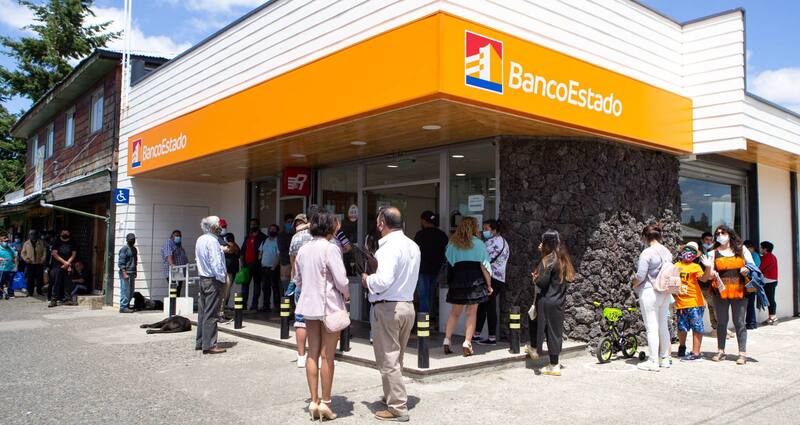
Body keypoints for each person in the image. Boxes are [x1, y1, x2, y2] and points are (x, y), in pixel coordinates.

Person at [360, 207, 420, 422]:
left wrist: (367, 279)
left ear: (381, 224)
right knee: (397, 357)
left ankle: (397, 406)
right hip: (407, 306)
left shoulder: (387, 248)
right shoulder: (412, 245)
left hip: (388, 308)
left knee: (388, 359)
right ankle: (393, 396)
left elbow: (383, 281)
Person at [294, 212, 350, 421]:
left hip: (309, 305)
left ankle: (313, 400)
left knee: (312, 353)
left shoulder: (303, 249)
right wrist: (346, 295)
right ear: (329, 227)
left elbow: (298, 280)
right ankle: (325, 402)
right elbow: (342, 281)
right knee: (327, 356)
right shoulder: (331, 248)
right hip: (329, 305)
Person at [699, 224, 755, 365]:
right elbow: (709, 275)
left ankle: (742, 353)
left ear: (730, 234)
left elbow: (753, 266)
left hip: (739, 291)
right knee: (721, 323)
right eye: (717, 234)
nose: (720, 236)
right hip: (720, 292)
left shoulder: (741, 249)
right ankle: (721, 351)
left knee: (739, 322)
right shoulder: (713, 253)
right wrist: (710, 271)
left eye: (723, 233)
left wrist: (746, 269)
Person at [443, 217, 492, 357]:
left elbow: (449, 262)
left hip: (458, 281)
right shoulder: (479, 244)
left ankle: (447, 339)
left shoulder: (452, 244)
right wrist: (489, 285)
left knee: (454, 313)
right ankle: (467, 342)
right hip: (475, 281)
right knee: (471, 313)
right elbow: (484, 266)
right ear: (474, 228)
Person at [528, 230, 574, 376]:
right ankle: (554, 362)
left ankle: (543, 357)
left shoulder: (548, 260)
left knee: (536, 322)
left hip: (547, 300)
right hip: (559, 301)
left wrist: (535, 278)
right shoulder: (563, 259)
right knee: (555, 332)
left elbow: (542, 282)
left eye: (542, 242)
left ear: (547, 244)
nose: (540, 244)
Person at [632, 224, 673, 372]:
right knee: (663, 326)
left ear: (645, 237)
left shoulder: (647, 252)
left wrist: (633, 282)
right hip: (665, 292)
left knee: (651, 327)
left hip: (650, 291)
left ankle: (653, 361)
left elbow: (640, 276)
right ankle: (665, 359)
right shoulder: (667, 252)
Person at [195, 216, 228, 355]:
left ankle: (201, 341)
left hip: (203, 278)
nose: (220, 227)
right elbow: (216, 262)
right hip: (212, 279)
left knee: (203, 312)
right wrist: (222, 278)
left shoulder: (200, 239)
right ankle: (210, 345)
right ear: (214, 227)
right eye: (218, 225)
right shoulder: (213, 241)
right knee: (211, 313)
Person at [474, 219, 510, 345]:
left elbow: (481, 258)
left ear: (494, 230)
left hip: (490, 278)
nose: (484, 231)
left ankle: (491, 337)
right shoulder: (504, 242)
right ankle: (477, 334)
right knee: (484, 305)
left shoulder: (490, 242)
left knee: (488, 306)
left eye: (486, 229)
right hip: (500, 278)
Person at [289, 213, 313, 368]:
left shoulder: (295, 238)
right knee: (317, 320)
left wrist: (293, 281)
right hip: (316, 284)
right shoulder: (316, 235)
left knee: (300, 320)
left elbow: (293, 263)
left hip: (299, 283)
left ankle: (301, 356)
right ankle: (315, 355)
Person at [673, 242, 705, 361]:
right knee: (682, 327)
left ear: (695, 255)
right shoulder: (676, 266)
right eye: (687, 249)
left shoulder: (696, 267)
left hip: (695, 302)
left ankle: (696, 352)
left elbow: (703, 278)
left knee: (697, 327)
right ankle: (682, 348)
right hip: (681, 303)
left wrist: (708, 268)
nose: (689, 253)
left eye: (693, 251)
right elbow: (672, 284)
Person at [413, 210, 448, 318]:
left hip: (422, 270)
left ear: (424, 221)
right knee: (431, 294)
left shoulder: (420, 235)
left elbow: (414, 252)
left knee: (423, 296)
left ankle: (424, 323)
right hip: (436, 270)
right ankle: (431, 317)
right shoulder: (442, 235)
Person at [241, 218, 267, 310]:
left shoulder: (263, 237)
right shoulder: (247, 237)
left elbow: (264, 252)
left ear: (258, 225)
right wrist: (242, 262)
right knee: (245, 285)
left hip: (257, 265)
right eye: (251, 224)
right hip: (246, 265)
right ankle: (243, 305)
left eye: (254, 224)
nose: (253, 226)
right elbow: (243, 251)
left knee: (257, 285)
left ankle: (254, 305)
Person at [49, 229, 78, 308]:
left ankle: (67, 299)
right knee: (56, 282)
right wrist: (65, 262)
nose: (65, 234)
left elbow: (73, 254)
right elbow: (54, 254)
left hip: (68, 265)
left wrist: (67, 263)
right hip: (57, 265)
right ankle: (54, 300)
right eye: (63, 233)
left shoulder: (72, 242)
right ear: (60, 233)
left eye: (67, 233)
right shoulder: (56, 241)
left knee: (68, 283)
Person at [256, 224, 280, 312]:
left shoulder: (278, 241)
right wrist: (260, 262)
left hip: (273, 268)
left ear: (277, 231)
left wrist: (274, 267)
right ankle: (266, 306)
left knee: (275, 288)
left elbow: (279, 255)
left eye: (274, 229)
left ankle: (277, 306)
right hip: (264, 268)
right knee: (265, 288)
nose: (272, 230)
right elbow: (260, 253)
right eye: (271, 229)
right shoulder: (264, 241)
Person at [161, 230, 189, 295]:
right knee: (174, 292)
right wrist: (172, 265)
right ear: (172, 236)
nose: (178, 237)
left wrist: (187, 263)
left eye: (180, 236)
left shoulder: (178, 245)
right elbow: (168, 255)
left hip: (179, 271)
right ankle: (173, 302)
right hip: (173, 271)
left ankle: (176, 302)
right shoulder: (169, 243)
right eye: (176, 235)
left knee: (177, 291)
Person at [21, 230, 46, 298]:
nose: (32, 236)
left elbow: (44, 251)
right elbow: (23, 253)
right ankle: (30, 292)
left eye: (34, 234)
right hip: (30, 263)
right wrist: (26, 259)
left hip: (39, 263)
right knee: (30, 279)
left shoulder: (41, 242)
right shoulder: (26, 243)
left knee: (39, 278)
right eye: (31, 234)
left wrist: (43, 259)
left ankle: (39, 291)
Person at [759, 241, 779, 326]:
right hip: (772, 280)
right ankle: (771, 317)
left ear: (765, 249)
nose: (760, 249)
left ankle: (773, 318)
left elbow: (760, 267)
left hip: (769, 281)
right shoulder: (772, 256)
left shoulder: (767, 257)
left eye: (761, 247)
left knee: (770, 299)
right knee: (770, 299)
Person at [118, 233, 138, 313]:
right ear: (127, 240)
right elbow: (121, 262)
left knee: (131, 291)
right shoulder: (124, 249)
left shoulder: (134, 249)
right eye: (131, 239)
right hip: (125, 272)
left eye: (134, 239)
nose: (133, 241)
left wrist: (135, 272)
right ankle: (123, 307)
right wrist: (124, 273)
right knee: (125, 290)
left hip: (132, 272)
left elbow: (135, 262)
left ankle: (127, 305)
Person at [222, 232, 240, 318]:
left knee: (227, 290)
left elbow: (232, 250)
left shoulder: (233, 246)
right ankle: (223, 308)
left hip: (230, 271)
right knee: (226, 290)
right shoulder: (229, 246)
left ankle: (223, 307)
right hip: (227, 271)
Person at [743, 240, 761, 329]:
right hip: (749, 281)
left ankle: (751, 322)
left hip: (751, 281)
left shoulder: (754, 255)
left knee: (750, 302)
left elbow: (754, 267)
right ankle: (751, 322)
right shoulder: (752, 255)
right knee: (749, 303)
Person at [278, 214, 295, 292]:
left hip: (294, 263)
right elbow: (282, 249)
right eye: (288, 222)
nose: (290, 224)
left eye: (291, 222)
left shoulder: (295, 235)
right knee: (286, 286)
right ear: (285, 223)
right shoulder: (281, 235)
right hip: (285, 263)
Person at [0, 232, 17, 299]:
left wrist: (15, 263)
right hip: (2, 268)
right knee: (1, 282)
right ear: (1, 241)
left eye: (7, 241)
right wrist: (1, 259)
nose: (6, 243)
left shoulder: (10, 248)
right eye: (5, 241)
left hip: (11, 268)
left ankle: (10, 294)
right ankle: (0, 294)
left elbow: (15, 255)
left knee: (11, 282)